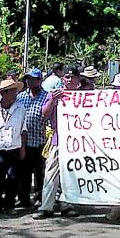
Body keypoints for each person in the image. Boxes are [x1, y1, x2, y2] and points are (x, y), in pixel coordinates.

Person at [32, 67, 81, 220]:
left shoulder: (85, 97)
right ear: (63, 79)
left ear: (78, 80)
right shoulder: (54, 95)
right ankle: (46, 206)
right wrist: (53, 101)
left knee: (73, 175)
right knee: (51, 174)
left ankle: (67, 204)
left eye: (73, 77)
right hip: (58, 140)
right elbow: (44, 115)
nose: (70, 80)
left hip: (80, 142)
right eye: (67, 77)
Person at [0, 78, 27, 214]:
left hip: (14, 147)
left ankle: (9, 205)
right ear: (4, 93)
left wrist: (23, 148)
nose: (15, 94)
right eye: (12, 91)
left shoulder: (21, 109)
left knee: (13, 178)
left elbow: (23, 129)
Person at [17, 68, 49, 207]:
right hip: (25, 140)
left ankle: (39, 197)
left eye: (33, 79)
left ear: (39, 81)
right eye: (28, 79)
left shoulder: (47, 96)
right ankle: (23, 198)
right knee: (24, 171)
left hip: (41, 140)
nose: (30, 81)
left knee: (40, 172)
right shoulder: (21, 96)